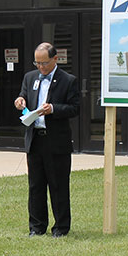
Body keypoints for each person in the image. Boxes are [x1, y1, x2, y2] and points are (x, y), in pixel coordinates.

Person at [14, 42, 80, 237]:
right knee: (36, 186)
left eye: (44, 63)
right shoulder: (30, 77)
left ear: (55, 59)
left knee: (58, 185)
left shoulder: (68, 80)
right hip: (35, 139)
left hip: (56, 141)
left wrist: (54, 109)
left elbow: (75, 108)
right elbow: (24, 96)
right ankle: (36, 227)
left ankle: (60, 227)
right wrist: (20, 101)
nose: (40, 67)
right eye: (37, 63)